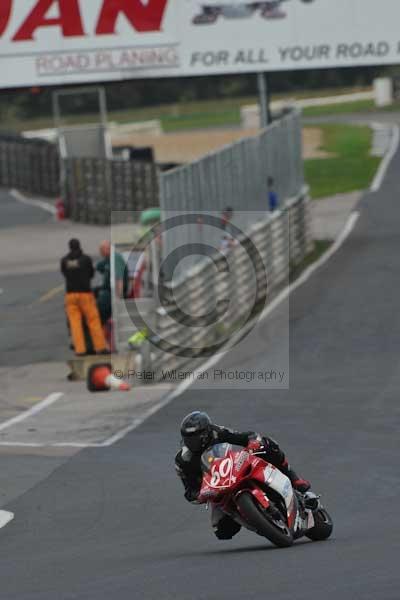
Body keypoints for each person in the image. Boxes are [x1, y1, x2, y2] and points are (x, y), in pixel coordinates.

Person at [175, 411, 311, 540]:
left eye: (194, 438)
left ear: (206, 433)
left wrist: (253, 443)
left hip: (235, 468)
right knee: (222, 531)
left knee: (268, 445)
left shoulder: (217, 432)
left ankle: (294, 478)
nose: (191, 442)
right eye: (187, 439)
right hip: (217, 489)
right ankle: (257, 521)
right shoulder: (183, 460)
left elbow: (246, 436)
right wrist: (199, 495)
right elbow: (189, 490)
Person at [61, 239, 108, 356]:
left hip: (70, 295)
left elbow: (64, 273)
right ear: (79, 246)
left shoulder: (64, 260)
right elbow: (91, 274)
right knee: (93, 320)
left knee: (75, 323)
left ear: (69, 247)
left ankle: (80, 350)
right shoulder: (86, 259)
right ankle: (100, 347)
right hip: (85, 294)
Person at [96, 240, 129, 324]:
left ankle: (100, 325)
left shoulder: (116, 258)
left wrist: (119, 298)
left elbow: (119, 279)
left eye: (101, 250)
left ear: (107, 249)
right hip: (107, 289)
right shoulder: (108, 259)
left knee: (100, 304)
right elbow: (99, 267)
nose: (100, 252)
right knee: (92, 292)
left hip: (114, 292)